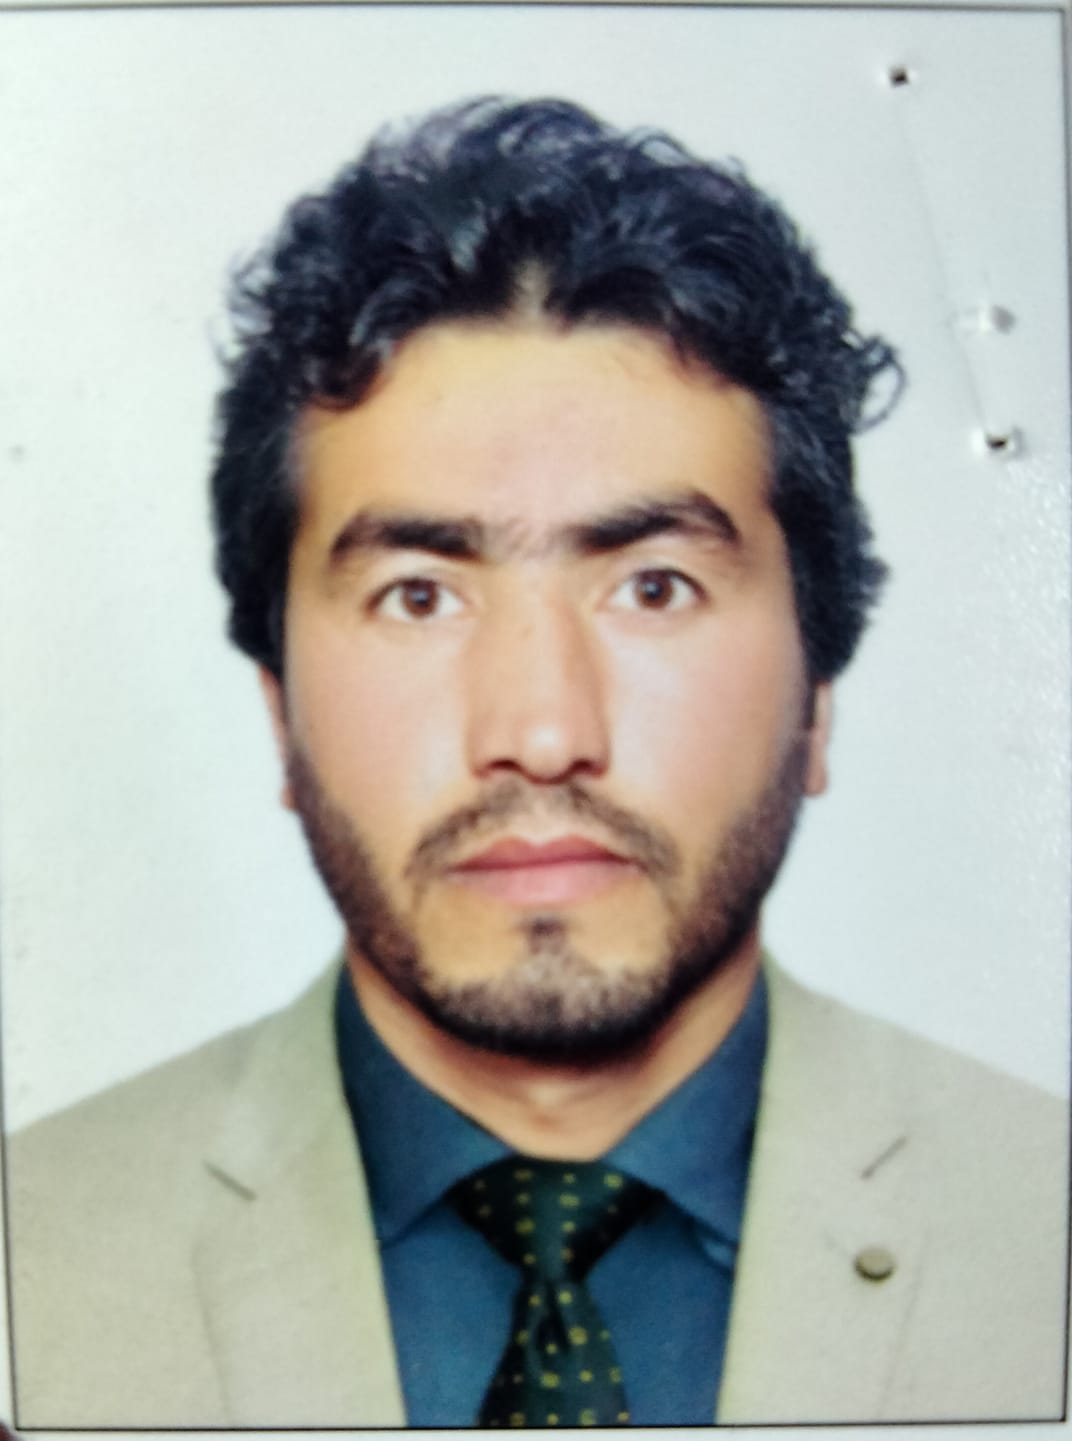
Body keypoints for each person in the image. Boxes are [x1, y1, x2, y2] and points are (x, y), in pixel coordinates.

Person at [6, 97, 1066, 1430]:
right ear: (278, 710)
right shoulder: (31, 1271)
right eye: (419, 596)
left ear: (818, 697)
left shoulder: (1045, 1235)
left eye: (655, 587)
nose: (545, 731)